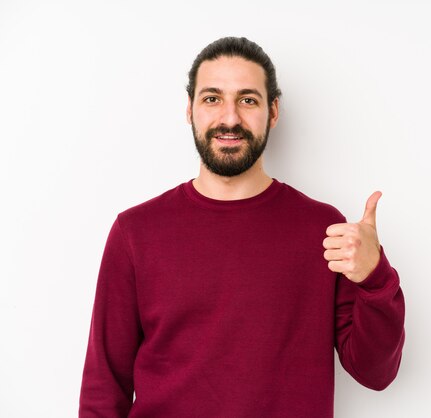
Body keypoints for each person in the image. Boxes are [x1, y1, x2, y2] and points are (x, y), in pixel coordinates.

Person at [79, 37, 405, 418]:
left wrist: (374, 278)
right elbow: (104, 387)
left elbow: (376, 373)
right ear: (190, 109)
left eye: (248, 100)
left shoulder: (324, 230)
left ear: (273, 111)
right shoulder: (135, 232)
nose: (229, 118)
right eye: (212, 98)